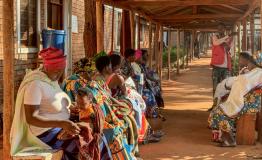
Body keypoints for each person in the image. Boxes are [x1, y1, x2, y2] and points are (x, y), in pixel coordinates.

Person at [10, 48, 80, 159]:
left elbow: (51, 102)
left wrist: (69, 107)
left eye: (60, 70)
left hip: (59, 126)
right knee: (82, 144)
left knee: (94, 134)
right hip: (44, 132)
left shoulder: (51, 80)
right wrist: (61, 123)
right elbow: (31, 118)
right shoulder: (35, 84)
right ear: (46, 67)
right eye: (55, 70)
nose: (58, 73)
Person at [208, 52, 262, 147]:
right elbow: (244, 84)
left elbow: (244, 84)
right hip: (249, 101)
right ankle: (226, 136)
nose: (248, 65)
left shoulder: (258, 73)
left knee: (219, 112)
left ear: (252, 62)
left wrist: (237, 84)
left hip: (250, 104)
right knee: (219, 110)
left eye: (250, 62)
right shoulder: (256, 72)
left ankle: (229, 140)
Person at [94, 55, 139, 159]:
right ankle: (131, 149)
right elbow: (107, 99)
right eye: (110, 65)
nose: (112, 67)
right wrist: (120, 104)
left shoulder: (96, 77)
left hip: (105, 106)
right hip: (106, 109)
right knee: (129, 117)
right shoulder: (101, 81)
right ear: (106, 68)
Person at [108, 53, 160, 144]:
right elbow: (123, 90)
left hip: (118, 96)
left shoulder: (136, 65)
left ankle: (146, 133)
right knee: (138, 104)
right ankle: (141, 135)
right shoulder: (123, 71)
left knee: (139, 102)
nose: (137, 57)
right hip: (117, 100)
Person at [211, 24, 234, 95]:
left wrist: (227, 44)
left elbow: (230, 49)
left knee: (226, 88)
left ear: (225, 29)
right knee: (216, 87)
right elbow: (216, 43)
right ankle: (215, 105)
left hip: (226, 67)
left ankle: (223, 105)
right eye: (218, 28)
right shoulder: (215, 37)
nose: (220, 30)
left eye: (221, 28)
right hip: (216, 66)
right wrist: (226, 37)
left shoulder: (229, 38)